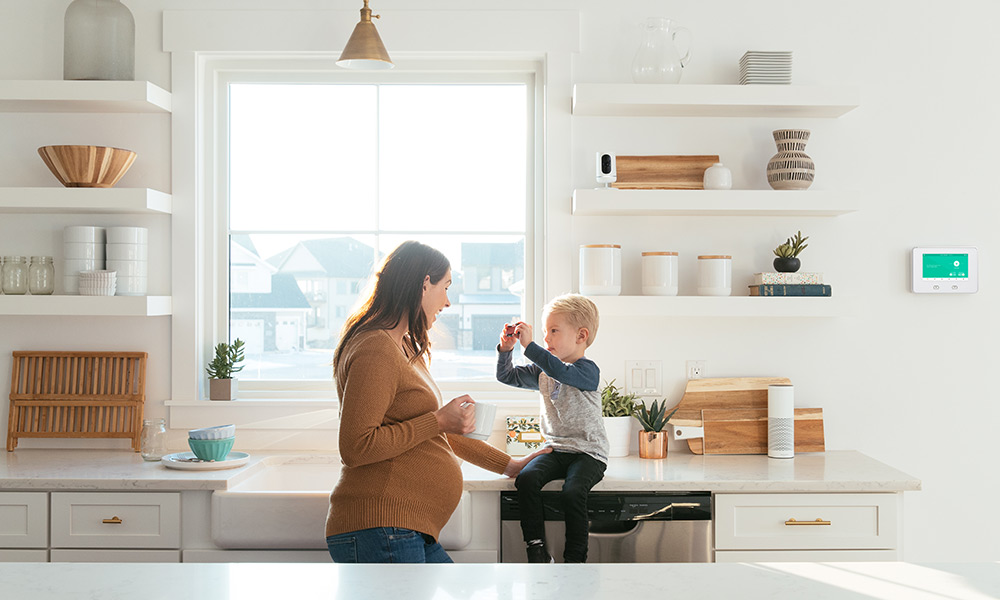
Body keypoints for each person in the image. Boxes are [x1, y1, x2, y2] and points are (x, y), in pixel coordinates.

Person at [326, 240, 548, 564]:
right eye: (445, 287)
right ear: (423, 284)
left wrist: (509, 465)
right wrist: (439, 420)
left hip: (403, 528)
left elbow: (436, 433)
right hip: (382, 526)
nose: (447, 302)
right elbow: (356, 445)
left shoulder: (401, 347)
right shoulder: (376, 348)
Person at [495, 293, 609, 563]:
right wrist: (506, 349)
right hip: (556, 449)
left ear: (581, 336)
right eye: (545, 332)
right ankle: (536, 549)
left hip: (588, 453)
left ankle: (575, 559)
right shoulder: (542, 372)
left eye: (554, 331)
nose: (546, 339)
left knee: (572, 492)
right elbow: (506, 375)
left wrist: (531, 347)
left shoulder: (587, 370)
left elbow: (563, 373)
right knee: (526, 479)